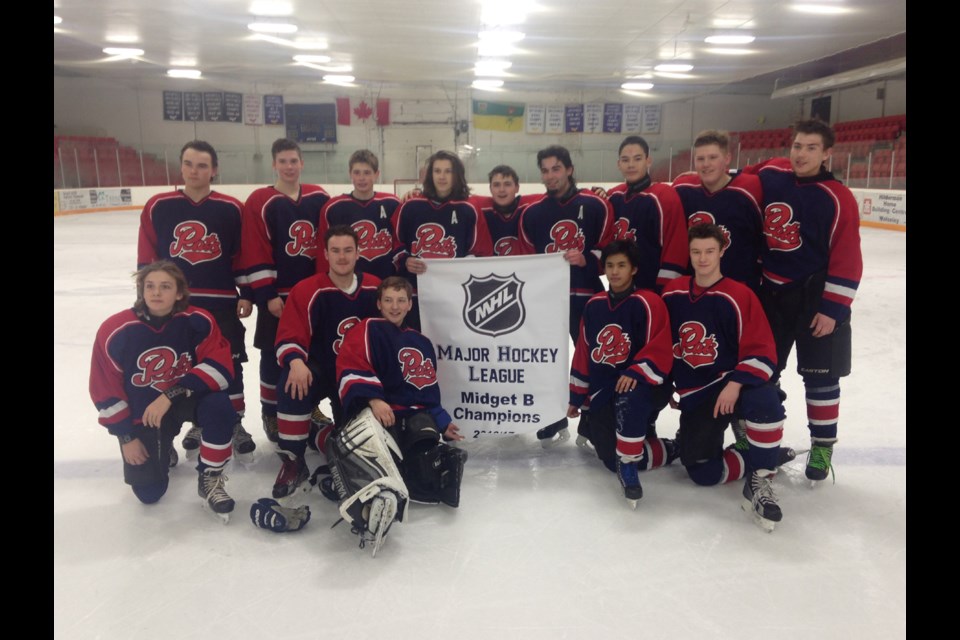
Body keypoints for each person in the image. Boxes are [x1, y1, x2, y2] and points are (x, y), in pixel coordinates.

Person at [744, 119, 862, 483]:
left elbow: (847, 256)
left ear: (827, 154)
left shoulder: (837, 197)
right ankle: (764, 442)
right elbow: (736, 178)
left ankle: (823, 444)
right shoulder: (773, 173)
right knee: (763, 372)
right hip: (771, 296)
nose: (801, 154)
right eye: (797, 146)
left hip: (814, 300)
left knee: (822, 379)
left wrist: (832, 309)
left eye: (811, 148)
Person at [662, 224, 789, 531]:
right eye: (696, 252)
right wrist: (664, 381)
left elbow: (763, 350)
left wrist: (735, 384)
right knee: (703, 474)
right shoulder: (672, 293)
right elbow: (660, 343)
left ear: (721, 252)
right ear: (689, 254)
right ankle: (759, 453)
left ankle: (762, 474)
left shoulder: (739, 294)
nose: (702, 258)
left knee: (765, 400)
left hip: (736, 383)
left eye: (709, 251)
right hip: (698, 392)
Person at [89, 261, 237, 520]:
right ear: (141, 291)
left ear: (179, 293)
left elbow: (220, 368)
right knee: (149, 494)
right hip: (145, 413)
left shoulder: (197, 321)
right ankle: (163, 443)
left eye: (165, 287)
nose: (156, 293)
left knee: (220, 406)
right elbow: (104, 387)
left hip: (184, 399)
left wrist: (169, 395)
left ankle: (211, 477)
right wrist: (126, 437)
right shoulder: (115, 330)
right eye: (150, 286)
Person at [136, 140, 255, 461]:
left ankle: (235, 421)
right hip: (175, 307)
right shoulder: (159, 205)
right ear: (181, 166)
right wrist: (146, 299)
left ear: (213, 170)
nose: (194, 171)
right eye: (189, 164)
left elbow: (241, 253)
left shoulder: (231, 208)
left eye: (202, 165)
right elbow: (148, 256)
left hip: (221, 303)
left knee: (229, 363)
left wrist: (246, 292)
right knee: (183, 365)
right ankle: (199, 420)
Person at [332, 276, 468, 554]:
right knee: (372, 450)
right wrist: (374, 400)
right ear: (379, 303)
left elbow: (428, 391)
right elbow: (350, 365)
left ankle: (405, 482)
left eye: (401, 301)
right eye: (389, 300)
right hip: (381, 414)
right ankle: (373, 501)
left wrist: (443, 423)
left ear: (409, 305)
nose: (395, 306)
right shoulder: (366, 329)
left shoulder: (421, 341)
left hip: (413, 415)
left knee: (424, 444)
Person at [270, 225, 382, 500]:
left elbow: (388, 336)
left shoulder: (374, 287)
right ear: (326, 254)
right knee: (290, 382)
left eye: (348, 250)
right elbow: (289, 334)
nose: (342, 257)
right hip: (319, 371)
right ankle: (293, 459)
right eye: (335, 251)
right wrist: (296, 361)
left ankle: (318, 432)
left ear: (358, 253)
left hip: (357, 377)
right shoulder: (308, 289)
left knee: (351, 446)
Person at [566, 240, 678, 507]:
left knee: (631, 394)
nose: (615, 272)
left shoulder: (648, 302)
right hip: (606, 389)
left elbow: (660, 347)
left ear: (634, 269)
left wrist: (637, 372)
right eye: (610, 266)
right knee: (607, 458)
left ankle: (629, 465)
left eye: (621, 266)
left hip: (646, 386)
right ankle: (674, 448)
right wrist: (577, 396)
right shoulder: (594, 305)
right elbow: (584, 351)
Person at [517, 145, 614, 447]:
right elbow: (526, 259)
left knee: (594, 360)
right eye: (545, 170)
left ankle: (591, 418)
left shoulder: (595, 205)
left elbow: (610, 248)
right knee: (547, 361)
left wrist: (589, 259)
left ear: (569, 169)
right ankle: (553, 415)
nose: (550, 175)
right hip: (549, 301)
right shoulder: (532, 213)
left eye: (556, 168)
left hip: (588, 297)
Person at [242, 138, 331, 444]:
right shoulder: (260, 201)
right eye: (283, 161)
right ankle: (270, 411)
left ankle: (311, 405)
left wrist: (325, 287)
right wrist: (267, 294)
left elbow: (329, 243)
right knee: (271, 352)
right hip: (279, 296)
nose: (289, 167)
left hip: (311, 294)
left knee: (311, 350)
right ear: (274, 164)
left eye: (294, 161)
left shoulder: (319, 197)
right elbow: (255, 248)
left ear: (302, 163)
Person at [391, 150, 493, 330]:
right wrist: (405, 259)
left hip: (455, 295)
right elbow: (395, 243)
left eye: (448, 171)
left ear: (457, 175)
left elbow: (481, 251)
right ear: (430, 174)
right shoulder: (410, 205)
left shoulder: (468, 208)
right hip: (415, 294)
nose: (442, 176)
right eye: (437, 171)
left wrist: (465, 265)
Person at [672, 130, 764, 291]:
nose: (706, 164)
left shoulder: (751, 189)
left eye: (713, 157)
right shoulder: (683, 189)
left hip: (740, 287)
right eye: (700, 159)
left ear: (727, 158)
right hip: (695, 288)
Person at [606, 135, 687, 292]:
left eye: (637, 159)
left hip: (650, 289)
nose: (631, 165)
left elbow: (676, 246)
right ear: (618, 164)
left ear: (648, 161)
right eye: (625, 160)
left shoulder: (664, 196)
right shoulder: (612, 196)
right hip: (617, 290)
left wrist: (665, 290)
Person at [315, 149, 400, 280]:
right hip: (348, 284)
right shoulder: (333, 208)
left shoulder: (392, 204)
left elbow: (401, 242)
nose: (361, 178)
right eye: (357, 172)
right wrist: (324, 280)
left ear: (376, 174)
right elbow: (323, 249)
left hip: (386, 282)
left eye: (367, 172)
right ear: (350, 174)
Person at [473, 164, 544, 256]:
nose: (502, 190)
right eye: (496, 185)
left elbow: (555, 198)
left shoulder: (531, 204)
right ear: (490, 189)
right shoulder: (479, 207)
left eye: (507, 184)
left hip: (525, 268)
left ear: (517, 188)